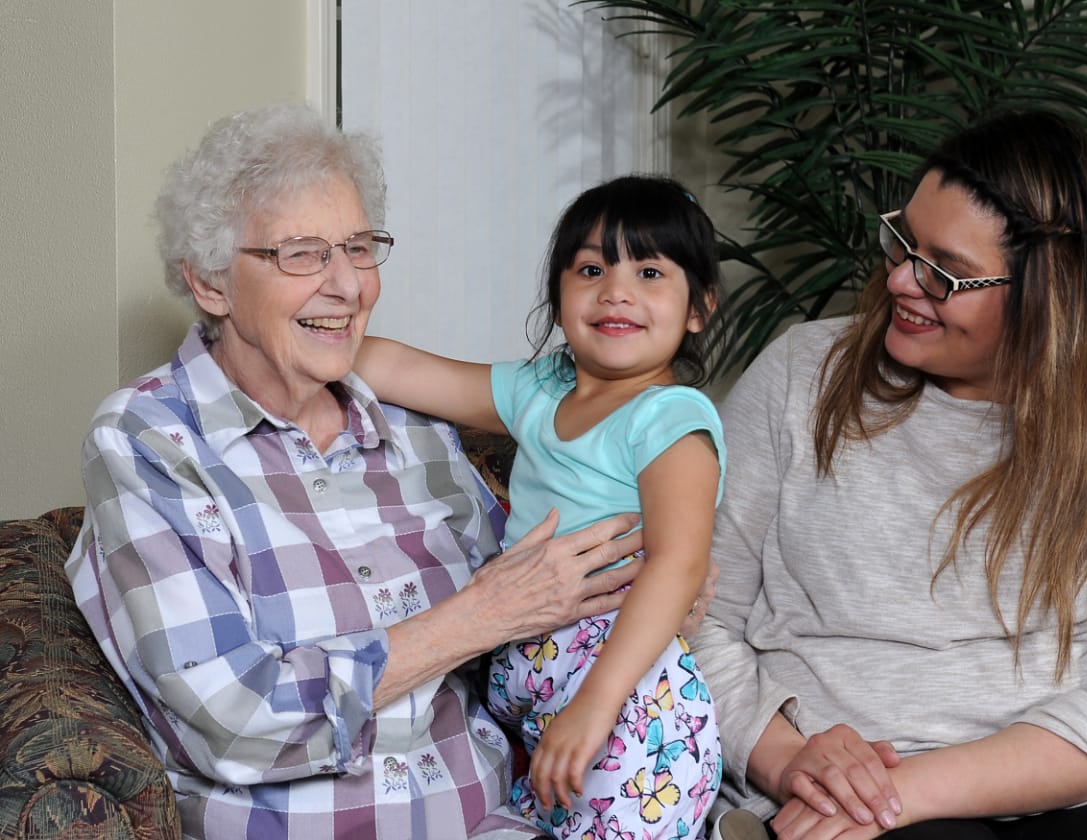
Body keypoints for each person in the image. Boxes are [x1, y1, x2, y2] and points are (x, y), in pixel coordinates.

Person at [65, 103, 713, 840]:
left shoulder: (413, 431)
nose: (348, 285)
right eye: (303, 253)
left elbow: (537, 604)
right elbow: (235, 722)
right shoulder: (150, 442)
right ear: (210, 285)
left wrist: (631, 597)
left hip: (514, 818)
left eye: (360, 248)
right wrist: (472, 619)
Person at [697, 110, 1087, 840]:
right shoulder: (799, 374)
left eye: (947, 272)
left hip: (1062, 775)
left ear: (1052, 295)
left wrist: (907, 792)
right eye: (903, 239)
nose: (900, 278)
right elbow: (694, 617)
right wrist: (789, 762)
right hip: (833, 779)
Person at [355, 175, 727, 840]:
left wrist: (595, 705)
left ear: (699, 306)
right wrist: (302, 337)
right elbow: (399, 369)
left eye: (649, 271)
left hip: (632, 697)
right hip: (535, 686)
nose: (616, 290)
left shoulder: (671, 419)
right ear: (559, 297)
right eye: (590, 268)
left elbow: (679, 565)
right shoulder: (539, 391)